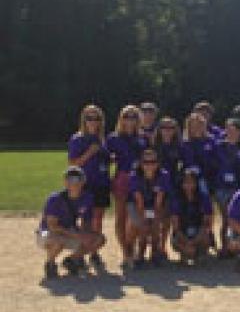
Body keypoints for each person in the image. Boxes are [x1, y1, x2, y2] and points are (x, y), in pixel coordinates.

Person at [36, 167, 107, 278]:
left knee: (99, 239)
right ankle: (50, 264)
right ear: (65, 182)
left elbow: (86, 220)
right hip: (45, 232)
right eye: (69, 179)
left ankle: (72, 260)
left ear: (83, 182)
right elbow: (52, 226)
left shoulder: (87, 198)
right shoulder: (55, 199)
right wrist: (77, 235)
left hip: (69, 230)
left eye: (77, 179)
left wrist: (86, 235)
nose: (73, 183)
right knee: (57, 240)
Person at [67, 105, 110, 270]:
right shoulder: (77, 139)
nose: (93, 122)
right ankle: (81, 252)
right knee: (85, 220)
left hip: (101, 184)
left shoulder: (102, 139)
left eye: (97, 118)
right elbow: (72, 164)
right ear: (84, 120)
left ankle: (94, 251)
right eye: (89, 118)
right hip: (85, 184)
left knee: (98, 219)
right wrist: (89, 153)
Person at [106, 105, 148, 261]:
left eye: (133, 117)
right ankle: (126, 251)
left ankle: (133, 245)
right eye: (126, 116)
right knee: (121, 217)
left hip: (140, 179)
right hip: (122, 178)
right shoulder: (113, 138)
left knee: (136, 216)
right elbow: (106, 158)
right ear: (121, 119)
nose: (130, 120)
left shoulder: (143, 138)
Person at [213, 118, 240, 256]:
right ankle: (224, 247)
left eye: (235, 130)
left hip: (238, 187)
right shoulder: (218, 146)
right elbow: (213, 165)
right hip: (222, 187)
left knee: (237, 219)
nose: (231, 133)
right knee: (226, 218)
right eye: (228, 130)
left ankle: (237, 246)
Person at [126, 149, 172, 269]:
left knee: (156, 226)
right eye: (146, 162)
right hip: (136, 205)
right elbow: (139, 201)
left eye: (153, 161)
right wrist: (144, 219)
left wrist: (155, 218)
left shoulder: (164, 175)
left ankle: (155, 253)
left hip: (156, 205)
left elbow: (159, 200)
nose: (149, 165)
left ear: (157, 163)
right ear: (141, 163)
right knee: (142, 226)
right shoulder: (134, 176)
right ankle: (139, 254)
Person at [170, 169, 213, 266]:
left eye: (191, 182)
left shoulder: (204, 199)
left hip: (199, 233)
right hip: (183, 233)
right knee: (175, 240)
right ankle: (184, 254)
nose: (189, 185)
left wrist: (193, 242)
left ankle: (200, 254)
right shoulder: (176, 200)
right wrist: (187, 243)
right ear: (181, 184)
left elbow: (207, 224)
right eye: (186, 182)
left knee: (206, 237)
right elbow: (176, 227)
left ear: (196, 184)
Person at [152, 116, 182, 252]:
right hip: (155, 184)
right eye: (164, 127)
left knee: (167, 217)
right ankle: (154, 247)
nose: (167, 130)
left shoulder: (178, 146)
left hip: (172, 184)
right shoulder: (153, 146)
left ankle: (162, 247)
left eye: (171, 128)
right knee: (155, 216)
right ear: (159, 129)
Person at [180, 112, 216, 195]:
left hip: (210, 177)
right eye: (193, 125)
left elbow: (215, 160)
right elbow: (185, 162)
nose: (196, 128)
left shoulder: (211, 141)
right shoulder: (185, 143)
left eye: (199, 124)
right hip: (190, 179)